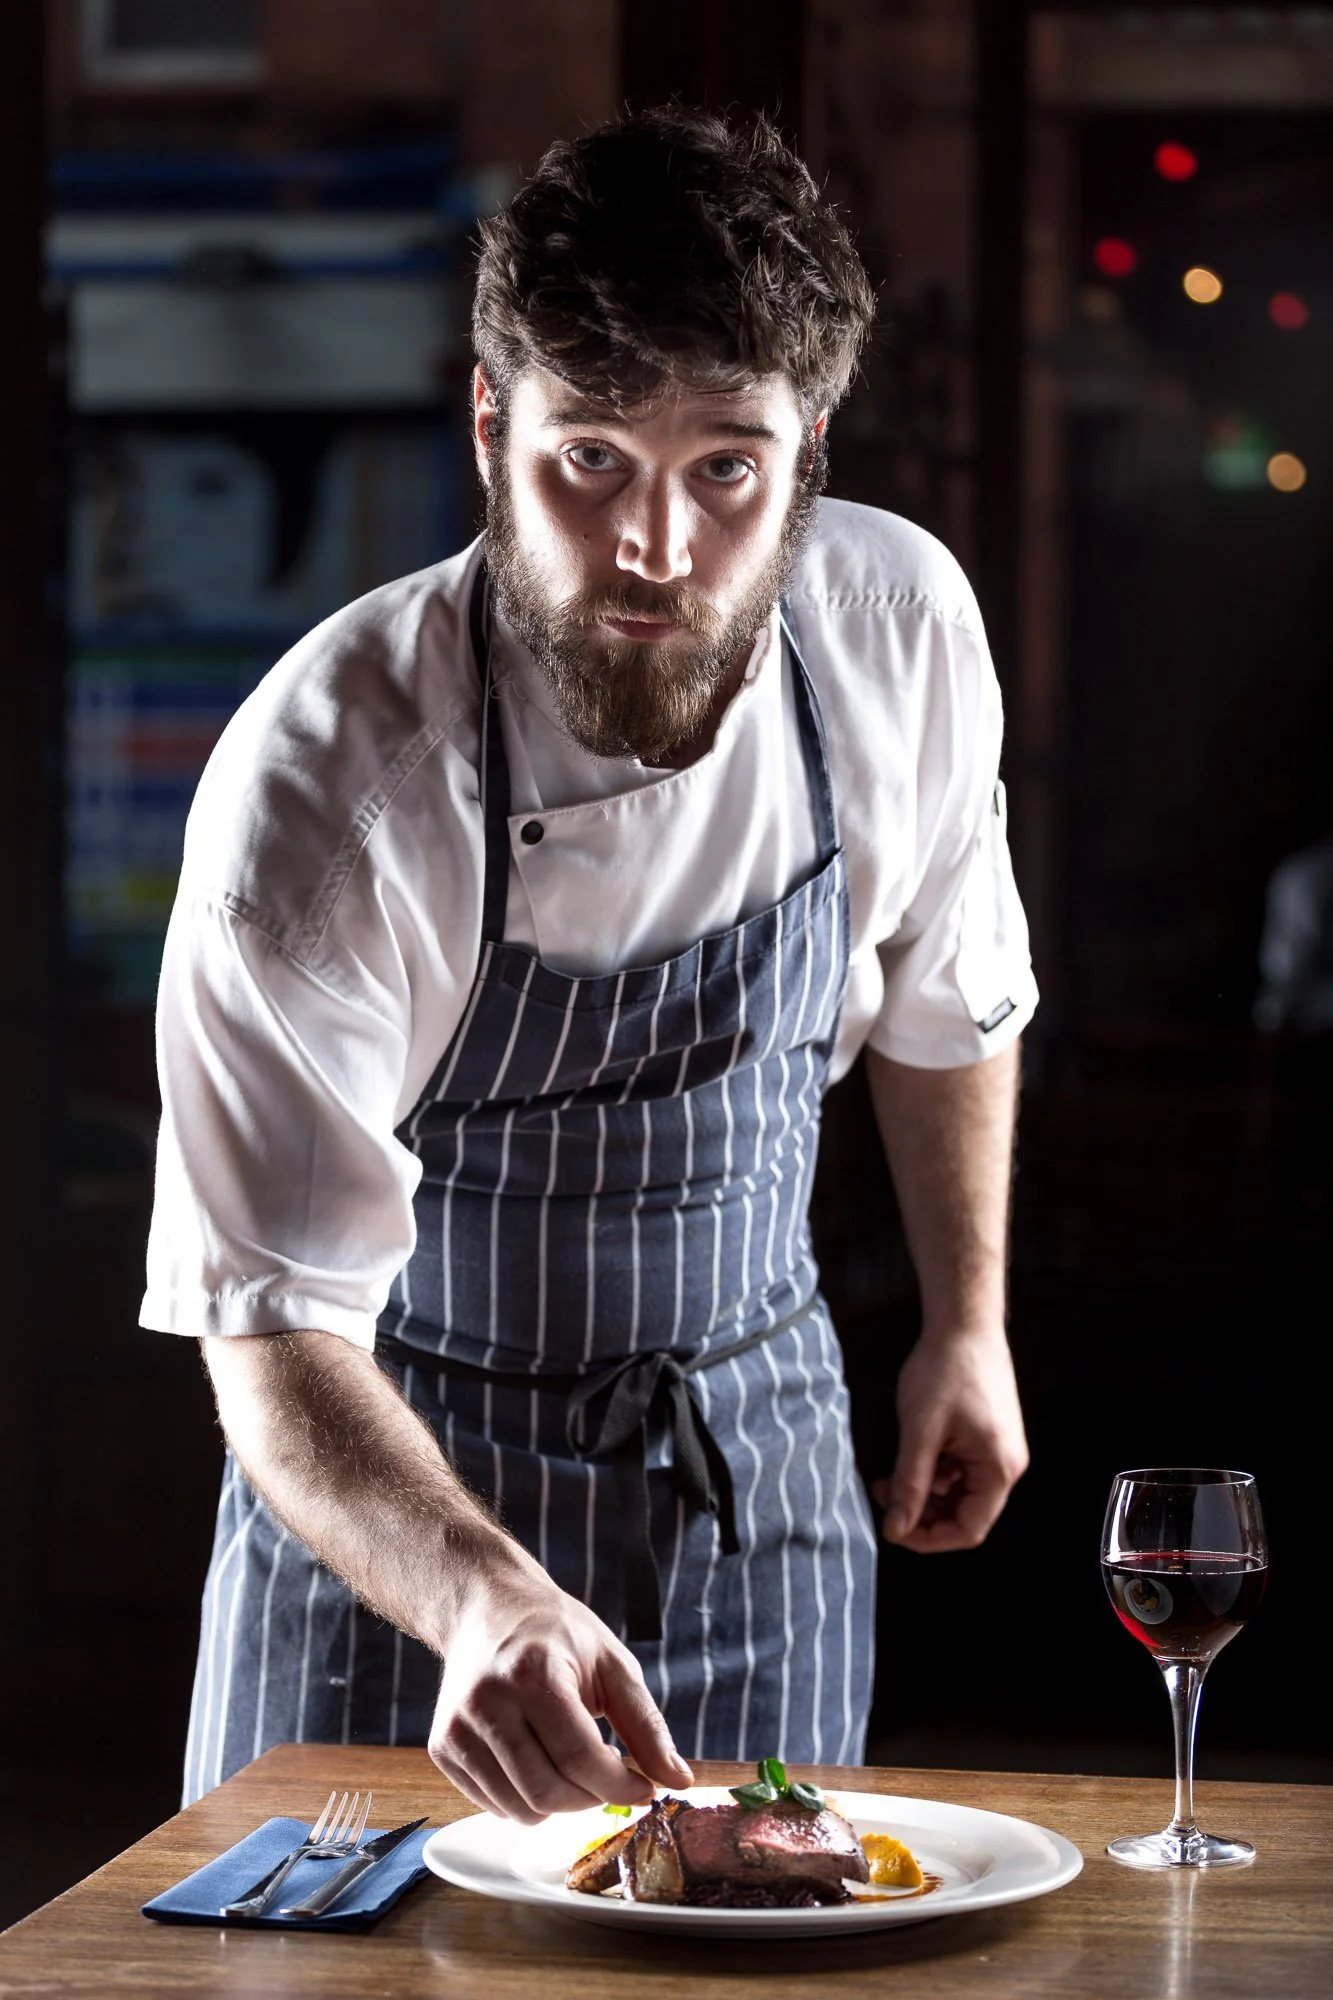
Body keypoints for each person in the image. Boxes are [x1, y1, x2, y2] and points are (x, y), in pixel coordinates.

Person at [142, 106, 1037, 1818]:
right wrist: (484, 1600)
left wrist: (969, 1323)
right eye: (593, 459)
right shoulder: (328, 786)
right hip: (390, 1537)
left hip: (749, 1479)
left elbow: (952, 979)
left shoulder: (900, 633)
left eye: (727, 469)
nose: (657, 549)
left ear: (810, 446)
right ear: (491, 426)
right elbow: (269, 1327)